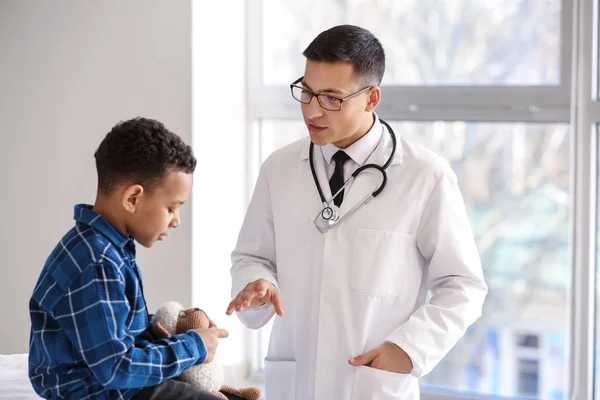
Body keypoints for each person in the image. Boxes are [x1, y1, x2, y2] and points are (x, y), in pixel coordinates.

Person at [226, 25, 488, 399]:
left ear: (371, 98)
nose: (313, 110)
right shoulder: (279, 168)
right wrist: (256, 281)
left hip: (372, 383)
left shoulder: (424, 176)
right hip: (295, 379)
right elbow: (252, 255)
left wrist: (408, 350)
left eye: (332, 98)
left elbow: (463, 285)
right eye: (307, 92)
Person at [28, 117, 229, 400]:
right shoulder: (97, 263)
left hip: (113, 383)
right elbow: (116, 368)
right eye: (171, 208)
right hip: (101, 391)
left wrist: (151, 332)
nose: (176, 221)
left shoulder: (105, 247)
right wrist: (194, 346)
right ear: (133, 198)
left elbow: (111, 326)